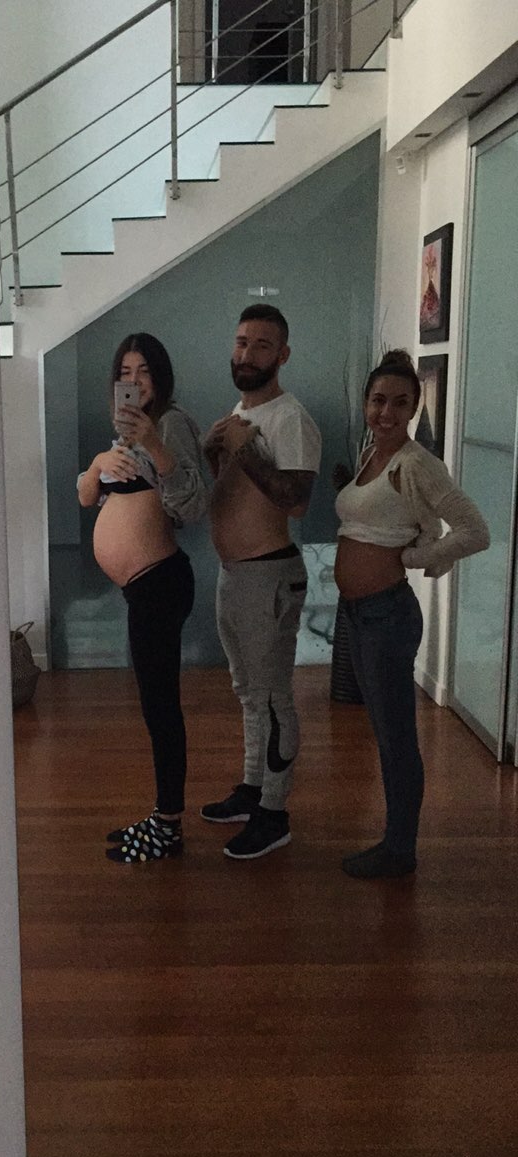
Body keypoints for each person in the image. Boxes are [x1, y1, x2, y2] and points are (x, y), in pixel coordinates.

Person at [335, 349, 490, 879]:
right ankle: (396, 841)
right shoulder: (371, 454)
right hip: (360, 614)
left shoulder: (418, 463)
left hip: (387, 617)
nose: (387, 412)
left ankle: (400, 848)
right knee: (384, 732)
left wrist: (413, 558)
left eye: (400, 403)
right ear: (366, 403)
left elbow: (475, 531)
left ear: (414, 409)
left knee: (396, 736)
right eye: (378, 400)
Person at [77, 332, 206, 864]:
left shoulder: (171, 424)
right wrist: (98, 463)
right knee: (155, 706)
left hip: (160, 582)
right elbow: (87, 496)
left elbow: (193, 504)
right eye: (125, 373)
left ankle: (168, 826)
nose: (134, 382)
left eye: (144, 372)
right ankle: (162, 817)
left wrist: (153, 444)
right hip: (143, 588)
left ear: (161, 377)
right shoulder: (123, 434)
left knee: (161, 707)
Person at [200, 304, 321, 859]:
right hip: (235, 574)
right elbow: (238, 490)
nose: (247, 354)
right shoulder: (241, 413)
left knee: (272, 699)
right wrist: (215, 452)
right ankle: (253, 789)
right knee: (248, 693)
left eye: (262, 345)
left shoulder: (291, 418)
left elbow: (295, 502)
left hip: (269, 574)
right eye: (242, 342)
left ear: (283, 355)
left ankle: (274, 813)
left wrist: (243, 447)